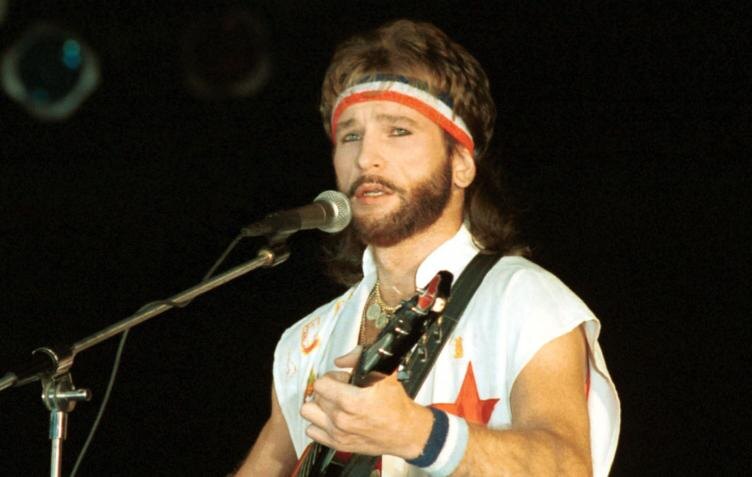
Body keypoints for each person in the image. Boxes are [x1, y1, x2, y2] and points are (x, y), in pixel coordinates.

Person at [235, 19, 619, 477]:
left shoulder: (523, 299)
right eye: (350, 136)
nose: (366, 158)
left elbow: (567, 466)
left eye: (398, 131)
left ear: (461, 163)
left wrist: (417, 433)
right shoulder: (306, 343)